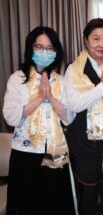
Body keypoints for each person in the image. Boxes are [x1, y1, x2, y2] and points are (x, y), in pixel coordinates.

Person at [2, 26, 76, 215]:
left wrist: (51, 97)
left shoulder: (61, 80)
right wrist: (39, 98)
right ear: (30, 49)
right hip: (26, 153)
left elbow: (69, 118)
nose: (44, 52)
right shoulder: (17, 79)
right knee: (26, 207)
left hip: (55, 151)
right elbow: (10, 117)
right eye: (39, 47)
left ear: (56, 52)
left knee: (56, 206)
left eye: (50, 48)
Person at [64, 18, 103, 215]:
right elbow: (74, 104)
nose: (102, 44)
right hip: (84, 145)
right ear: (86, 40)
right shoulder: (74, 69)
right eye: (96, 38)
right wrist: (101, 88)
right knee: (87, 198)